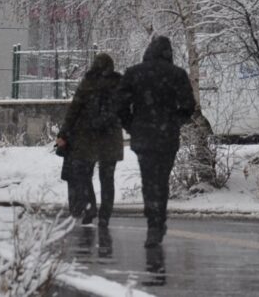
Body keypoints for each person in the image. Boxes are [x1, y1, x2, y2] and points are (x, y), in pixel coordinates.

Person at [117, 35, 197, 247]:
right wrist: (174, 122)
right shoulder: (177, 75)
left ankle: (153, 223)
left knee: (148, 181)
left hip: (143, 137)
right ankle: (158, 221)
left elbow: (120, 106)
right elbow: (189, 106)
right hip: (167, 137)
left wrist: (131, 126)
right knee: (161, 181)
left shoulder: (134, 74)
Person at [56, 52, 124, 228]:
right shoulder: (119, 84)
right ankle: (104, 216)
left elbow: (74, 110)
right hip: (111, 139)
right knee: (107, 179)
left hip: (89, 138)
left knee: (84, 175)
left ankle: (90, 206)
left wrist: (63, 134)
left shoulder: (87, 84)